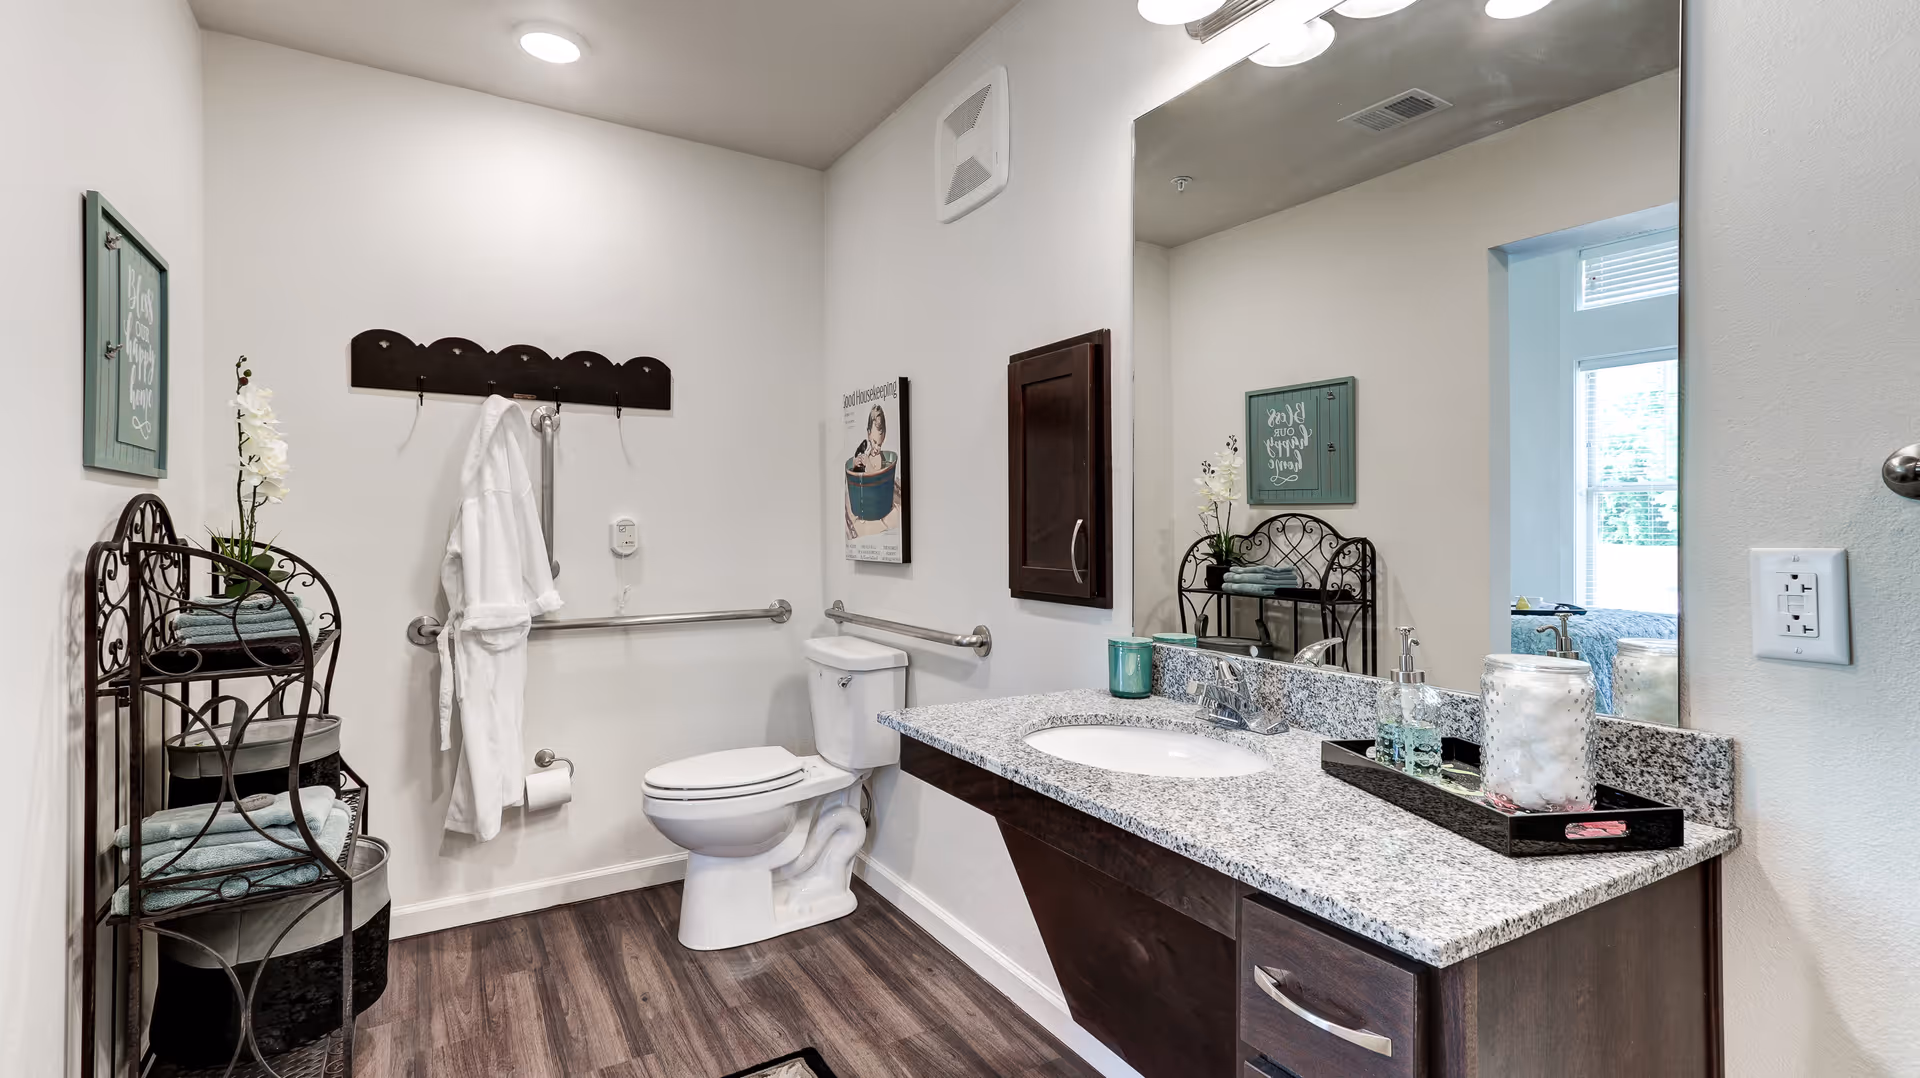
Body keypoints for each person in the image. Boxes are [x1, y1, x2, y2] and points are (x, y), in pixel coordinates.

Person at [846, 404, 902, 540]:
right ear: (868, 433)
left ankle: (881, 521)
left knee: (895, 513)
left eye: (880, 444)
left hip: (878, 497)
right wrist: (856, 463)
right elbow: (859, 472)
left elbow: (876, 474)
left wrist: (869, 465)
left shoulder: (879, 457)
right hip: (865, 497)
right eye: (874, 442)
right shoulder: (865, 454)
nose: (877, 448)